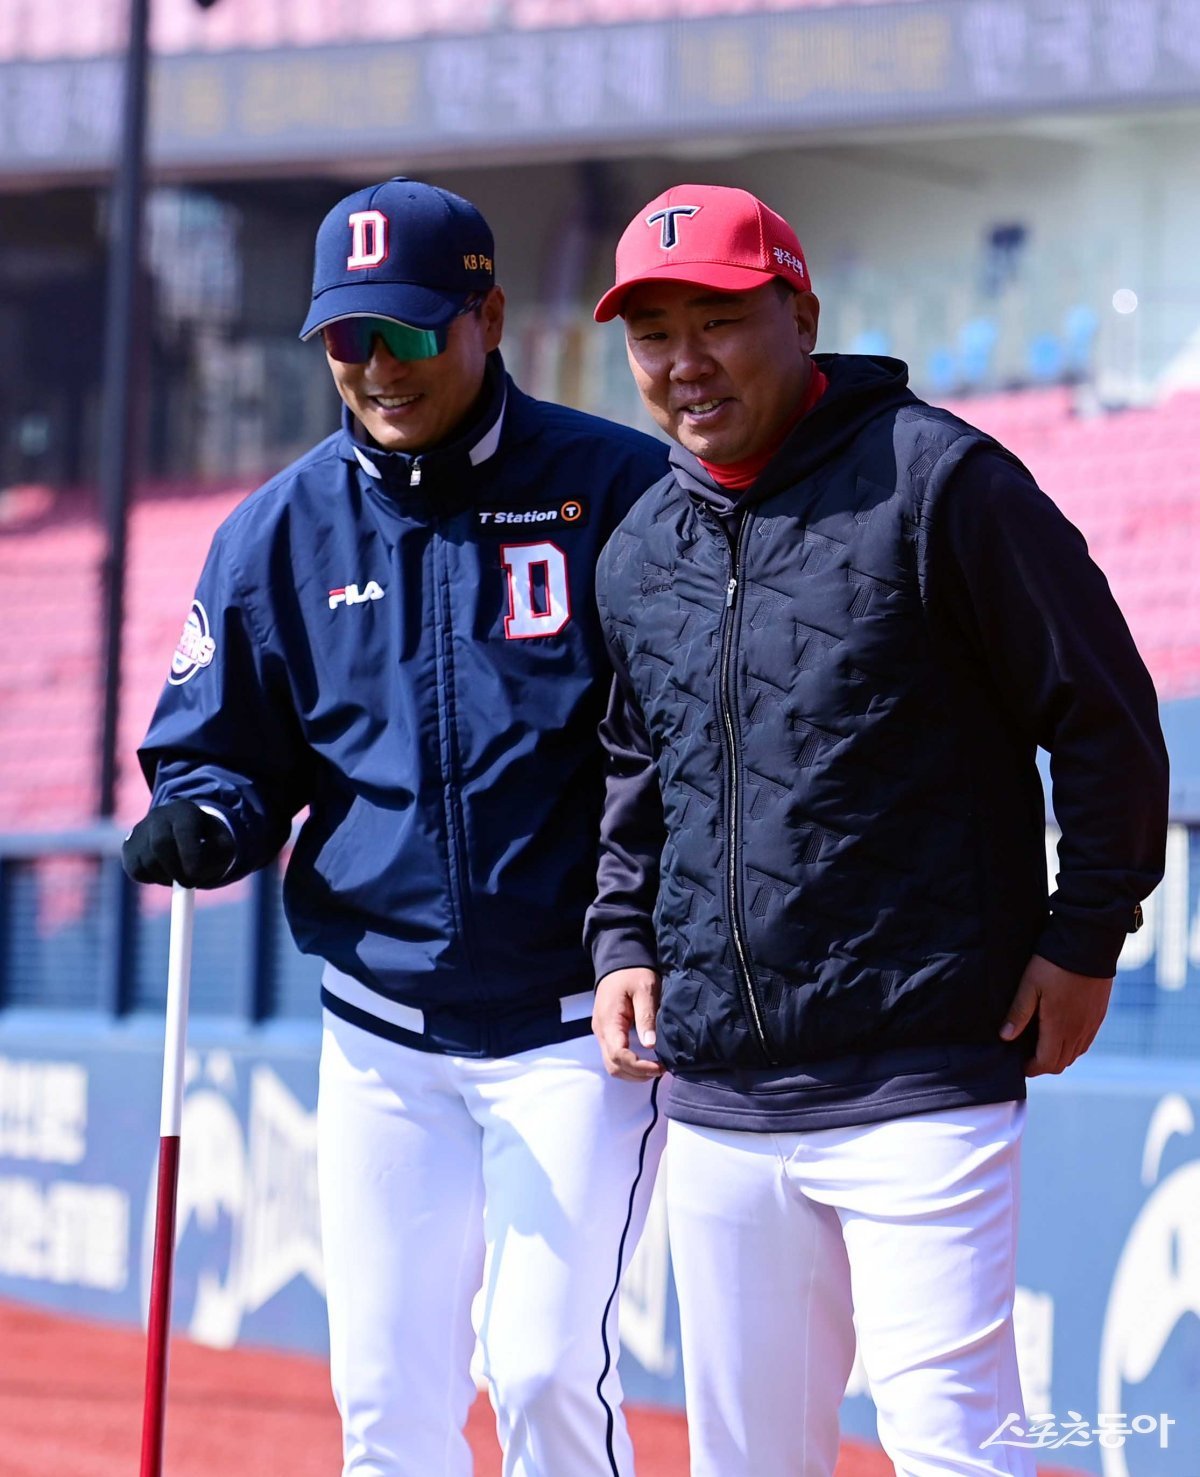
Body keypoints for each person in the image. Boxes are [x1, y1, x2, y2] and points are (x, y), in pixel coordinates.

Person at [586, 183, 1168, 1477]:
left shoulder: (942, 482)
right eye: (653, 333)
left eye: (717, 321)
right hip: (722, 1093)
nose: (685, 362)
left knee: (955, 1446)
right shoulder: (636, 550)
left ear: (800, 315)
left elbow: (1105, 714)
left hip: (922, 1075)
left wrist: (1086, 934)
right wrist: (623, 935)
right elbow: (636, 766)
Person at [122, 177, 669, 1477]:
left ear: (489, 318)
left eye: (410, 331)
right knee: (384, 1406)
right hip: (379, 1031)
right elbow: (221, 752)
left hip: (575, 1024)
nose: (378, 365)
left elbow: (687, 739)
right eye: (348, 336)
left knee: (541, 1371)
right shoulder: (275, 531)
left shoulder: (621, 489)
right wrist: (208, 818)